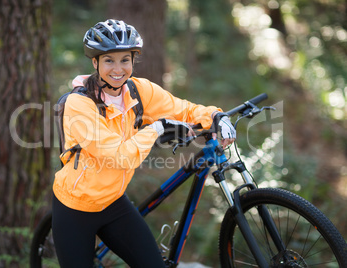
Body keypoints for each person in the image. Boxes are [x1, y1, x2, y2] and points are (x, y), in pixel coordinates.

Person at [52, 19, 236, 268]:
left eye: (125, 60)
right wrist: (157, 128)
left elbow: (183, 110)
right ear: (95, 62)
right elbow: (120, 156)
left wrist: (215, 116)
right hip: (75, 208)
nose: (118, 69)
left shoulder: (139, 91)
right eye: (109, 60)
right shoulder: (79, 105)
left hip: (114, 202)